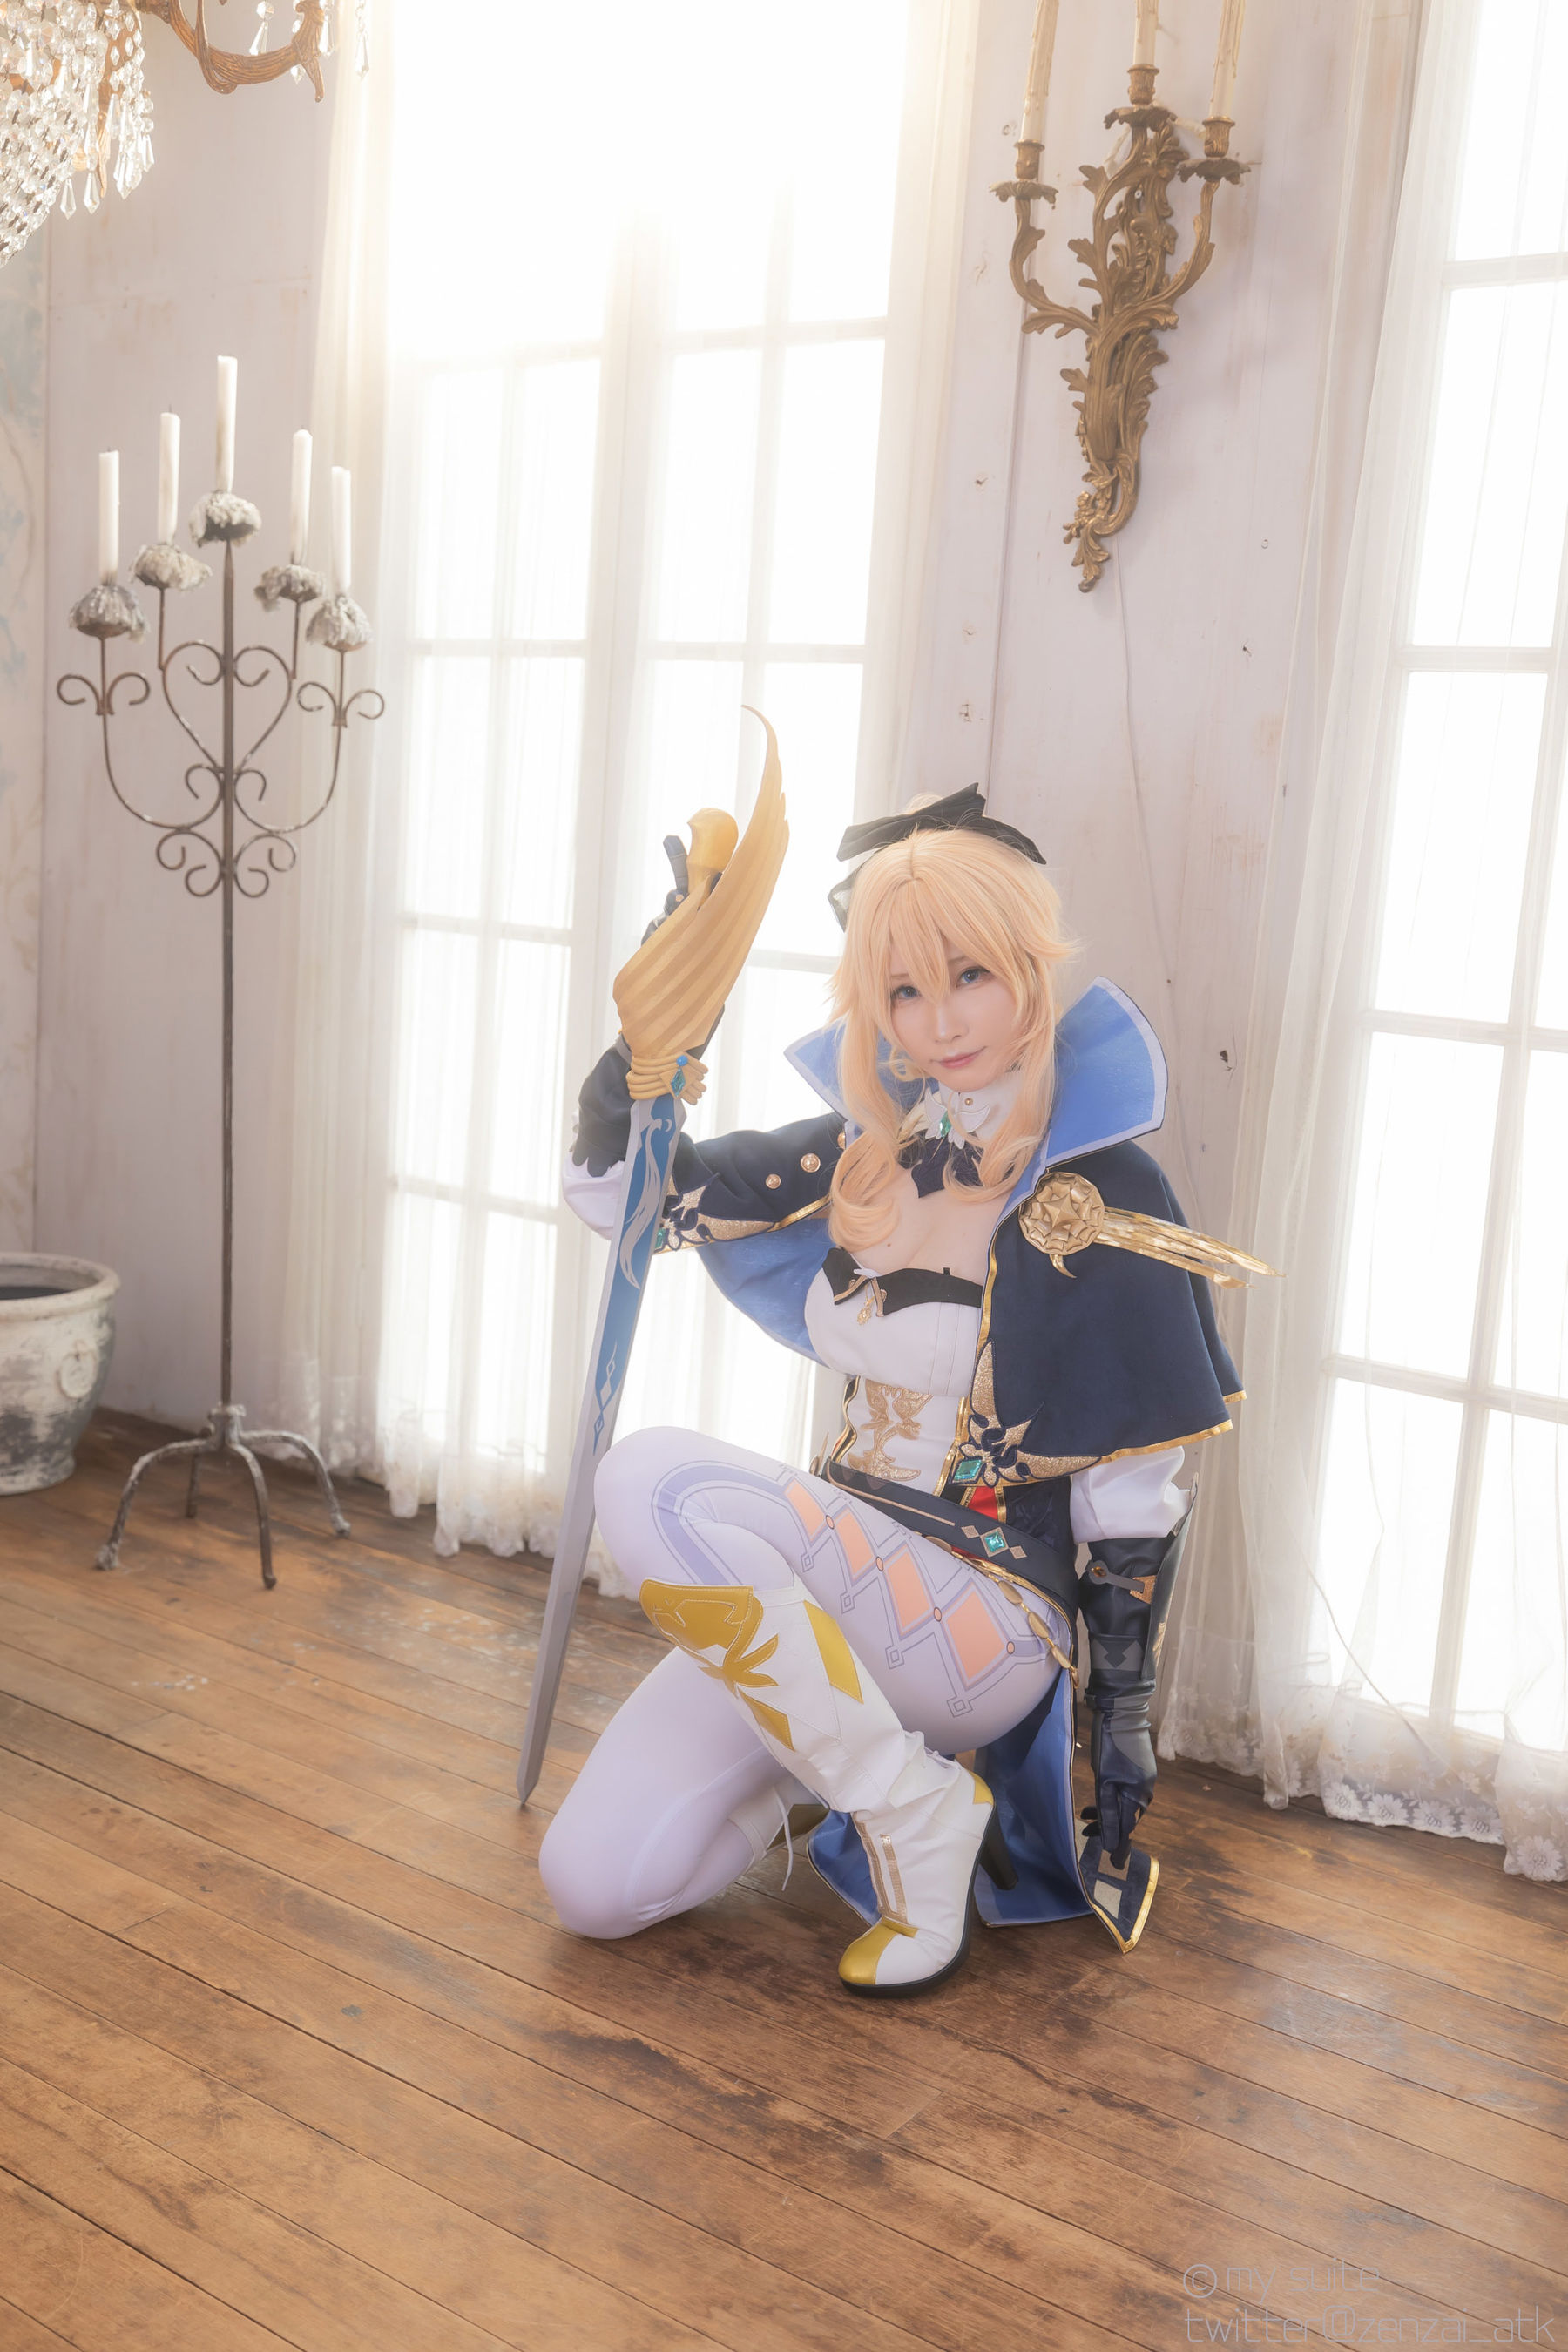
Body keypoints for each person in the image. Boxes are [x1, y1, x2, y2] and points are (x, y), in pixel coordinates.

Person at [539, 787, 1266, 1996]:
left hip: (982, 1616)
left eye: (970, 974)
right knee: (594, 1887)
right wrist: (648, 1041)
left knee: (652, 1480)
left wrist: (1123, 1718)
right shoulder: (864, 1152)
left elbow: (1132, 1494)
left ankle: (910, 1809)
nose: (941, 1021)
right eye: (904, 992)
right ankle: (856, 1774)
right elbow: (622, 1200)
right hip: (830, 1604)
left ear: (1031, 963)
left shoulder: (1096, 1191)